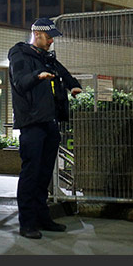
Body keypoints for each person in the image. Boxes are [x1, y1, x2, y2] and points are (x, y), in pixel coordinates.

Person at [8, 17, 83, 239]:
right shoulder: (19, 54)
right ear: (37, 34)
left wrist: (74, 86)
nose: (51, 41)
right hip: (32, 123)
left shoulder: (47, 58)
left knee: (44, 175)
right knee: (31, 173)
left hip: (50, 122)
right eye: (49, 37)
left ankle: (43, 217)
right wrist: (37, 76)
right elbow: (20, 81)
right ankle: (27, 223)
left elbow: (64, 73)